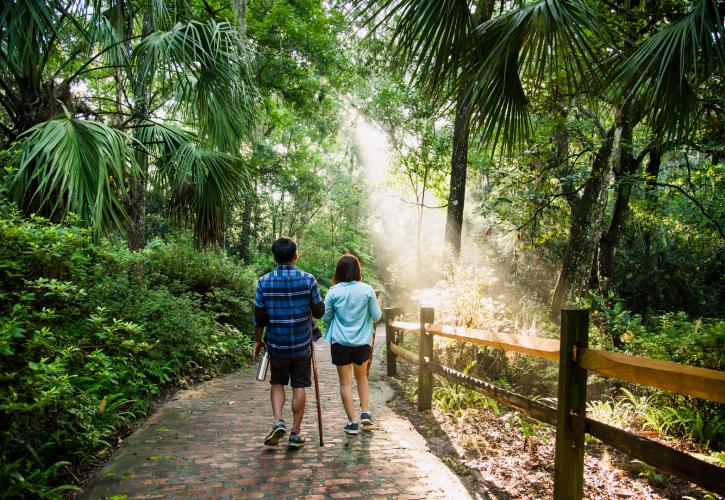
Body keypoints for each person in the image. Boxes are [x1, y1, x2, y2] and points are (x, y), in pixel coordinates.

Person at [253, 237, 324, 448]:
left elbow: (259, 317)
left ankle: (278, 422)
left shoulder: (264, 282)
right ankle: (295, 433)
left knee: (277, 383)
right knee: (299, 386)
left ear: (274, 257)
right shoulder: (308, 280)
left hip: (276, 344)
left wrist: (257, 340)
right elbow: (319, 312)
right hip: (302, 344)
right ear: (295, 256)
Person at [322, 254, 382, 435]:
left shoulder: (333, 292)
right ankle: (365, 412)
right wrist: (377, 303)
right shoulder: (367, 290)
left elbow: (325, 317)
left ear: (338, 271)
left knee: (345, 383)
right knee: (361, 376)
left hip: (340, 342)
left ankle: (352, 422)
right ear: (358, 270)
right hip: (362, 342)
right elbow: (377, 316)